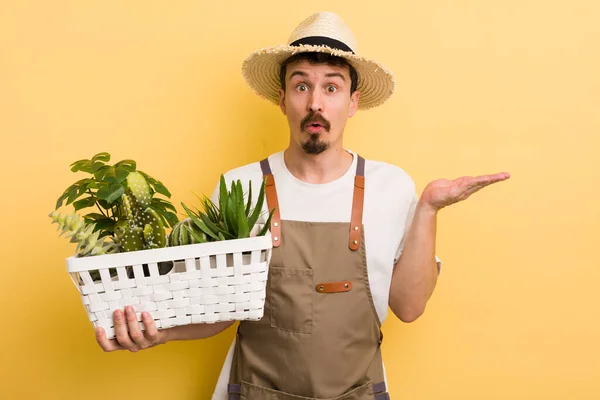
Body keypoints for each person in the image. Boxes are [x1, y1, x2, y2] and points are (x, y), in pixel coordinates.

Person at [95, 11, 510, 399]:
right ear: (282, 99)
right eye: (301, 85)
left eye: (332, 87)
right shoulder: (239, 186)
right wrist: (160, 331)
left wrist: (428, 210)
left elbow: (409, 307)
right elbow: (220, 309)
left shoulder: (392, 187)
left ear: (352, 102)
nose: (316, 102)